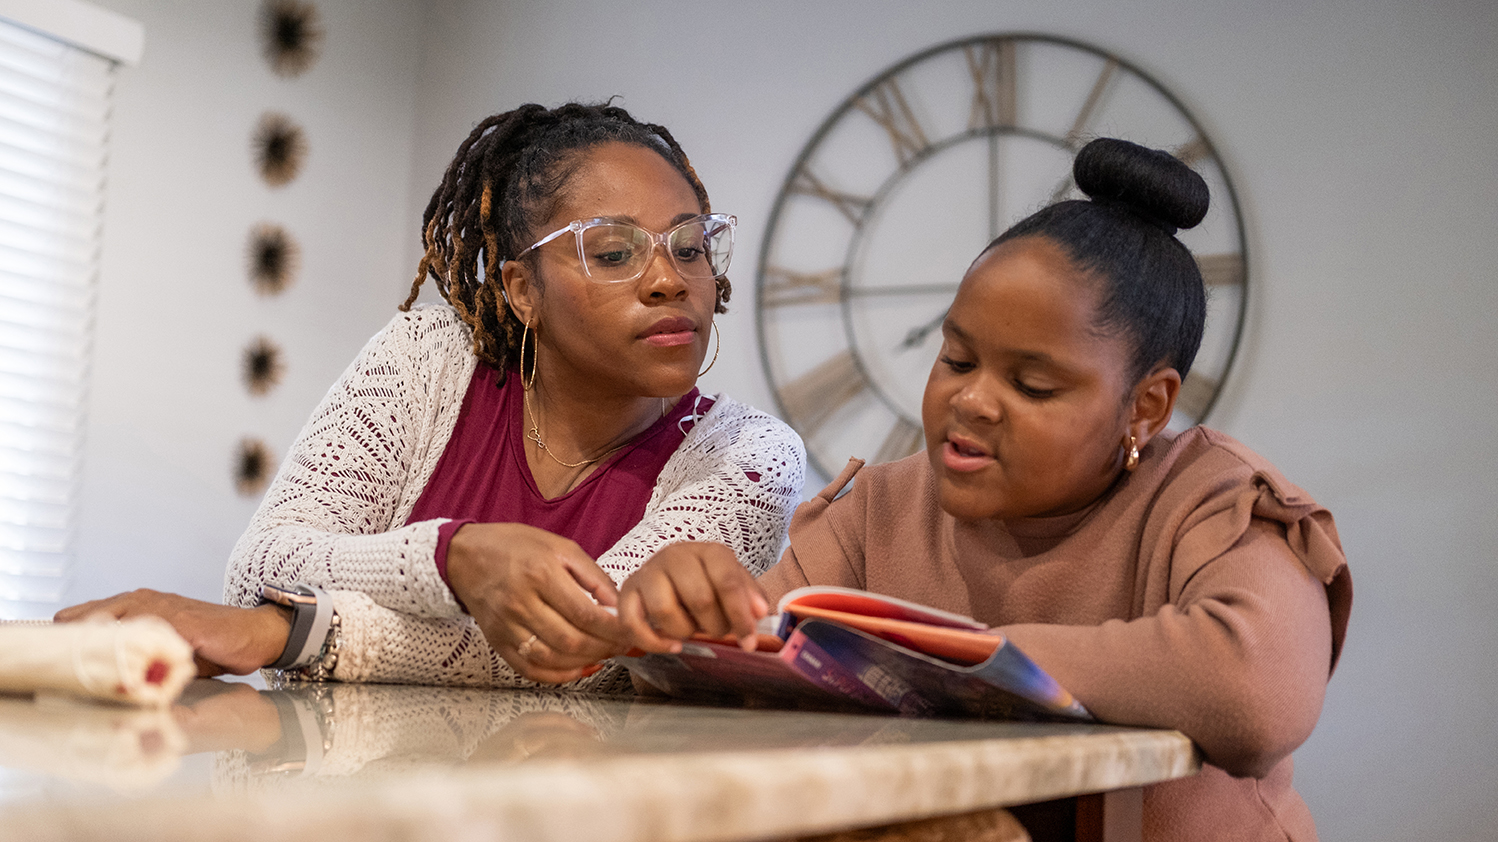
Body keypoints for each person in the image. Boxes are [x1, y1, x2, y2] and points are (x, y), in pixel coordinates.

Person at [618, 138, 1351, 841]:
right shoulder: (882, 507)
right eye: (957, 360)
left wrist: (961, 659)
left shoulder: (1211, 496)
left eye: (1032, 384)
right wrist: (682, 613)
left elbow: (1258, 696)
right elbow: (733, 680)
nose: (971, 402)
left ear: (1147, 406)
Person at [58, 102, 806, 691]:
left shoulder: (747, 458)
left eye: (690, 246)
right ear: (521, 291)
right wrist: (453, 558)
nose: (670, 280)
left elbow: (578, 651)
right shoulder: (427, 360)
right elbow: (263, 565)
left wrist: (287, 633)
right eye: (613, 253)